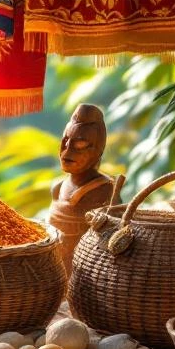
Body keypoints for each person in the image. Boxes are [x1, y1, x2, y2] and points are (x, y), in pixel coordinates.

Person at [49, 104, 117, 275]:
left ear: (97, 150)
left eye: (79, 143)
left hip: (87, 279)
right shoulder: (58, 188)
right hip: (52, 274)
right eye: (65, 141)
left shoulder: (104, 191)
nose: (67, 151)